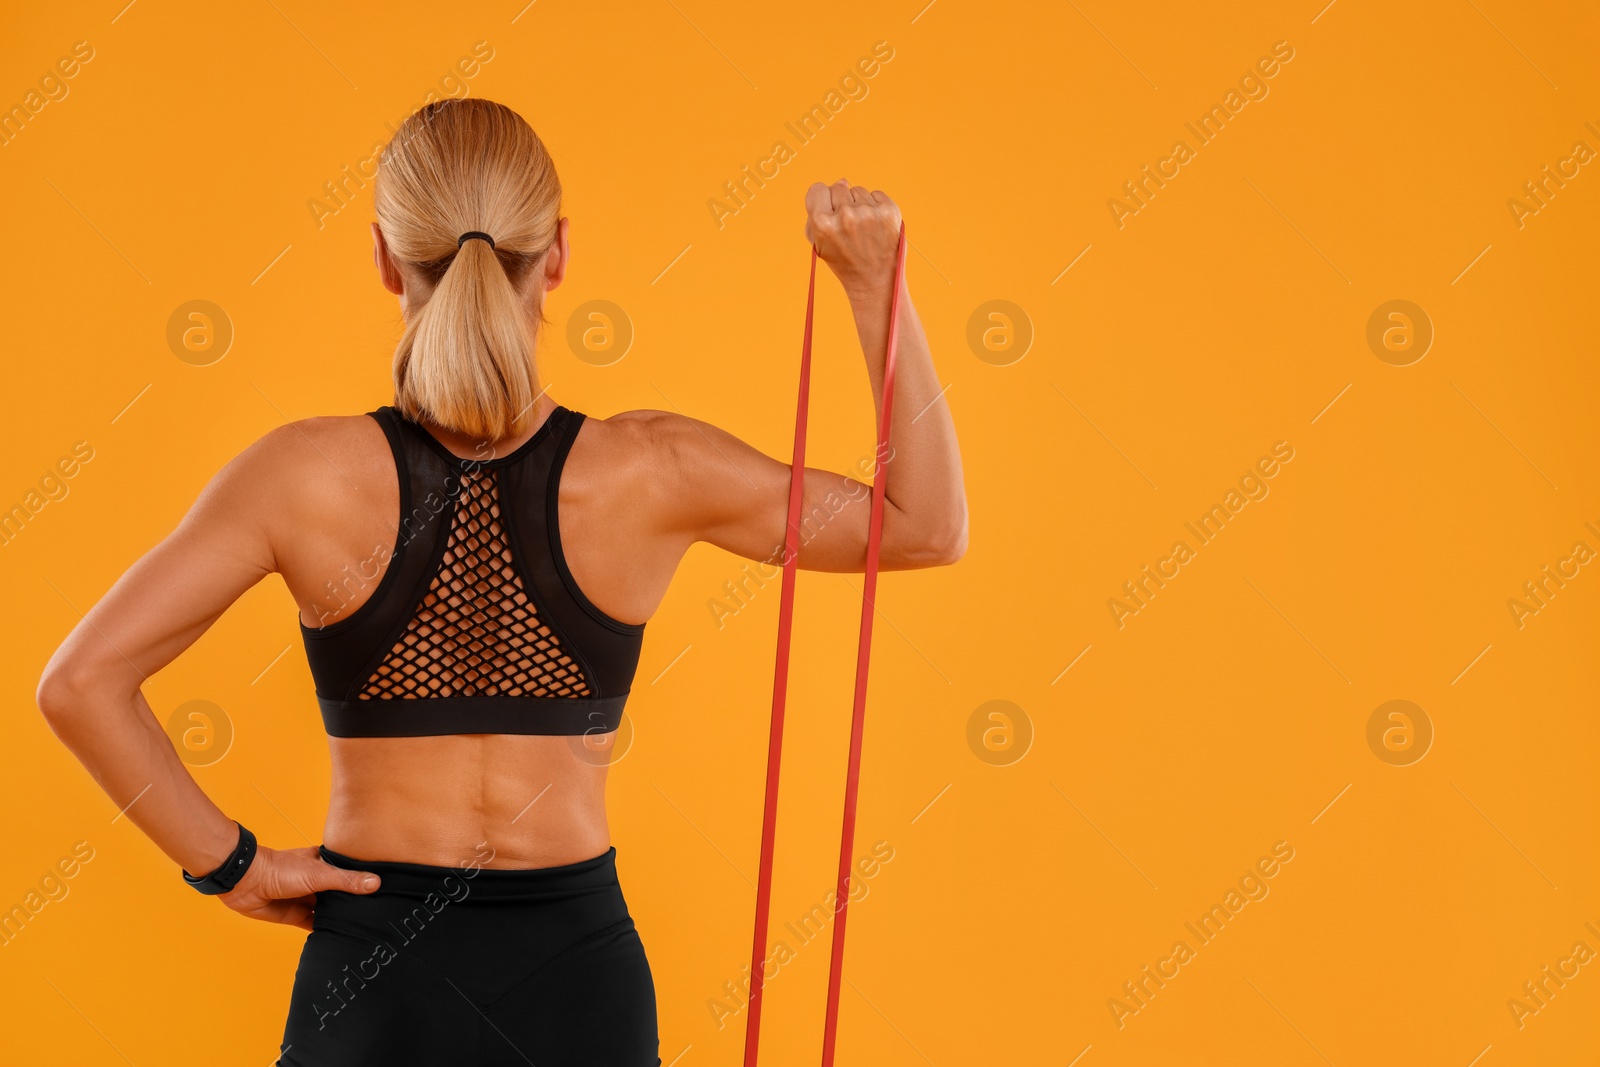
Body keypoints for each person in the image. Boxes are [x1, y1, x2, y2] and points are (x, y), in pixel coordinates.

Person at [35, 97, 966, 1066]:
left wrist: (229, 863)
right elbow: (925, 526)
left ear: (386, 258)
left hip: (373, 976)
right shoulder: (653, 469)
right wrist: (873, 287)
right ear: (556, 254)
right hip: (577, 985)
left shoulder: (298, 475)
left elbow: (79, 682)